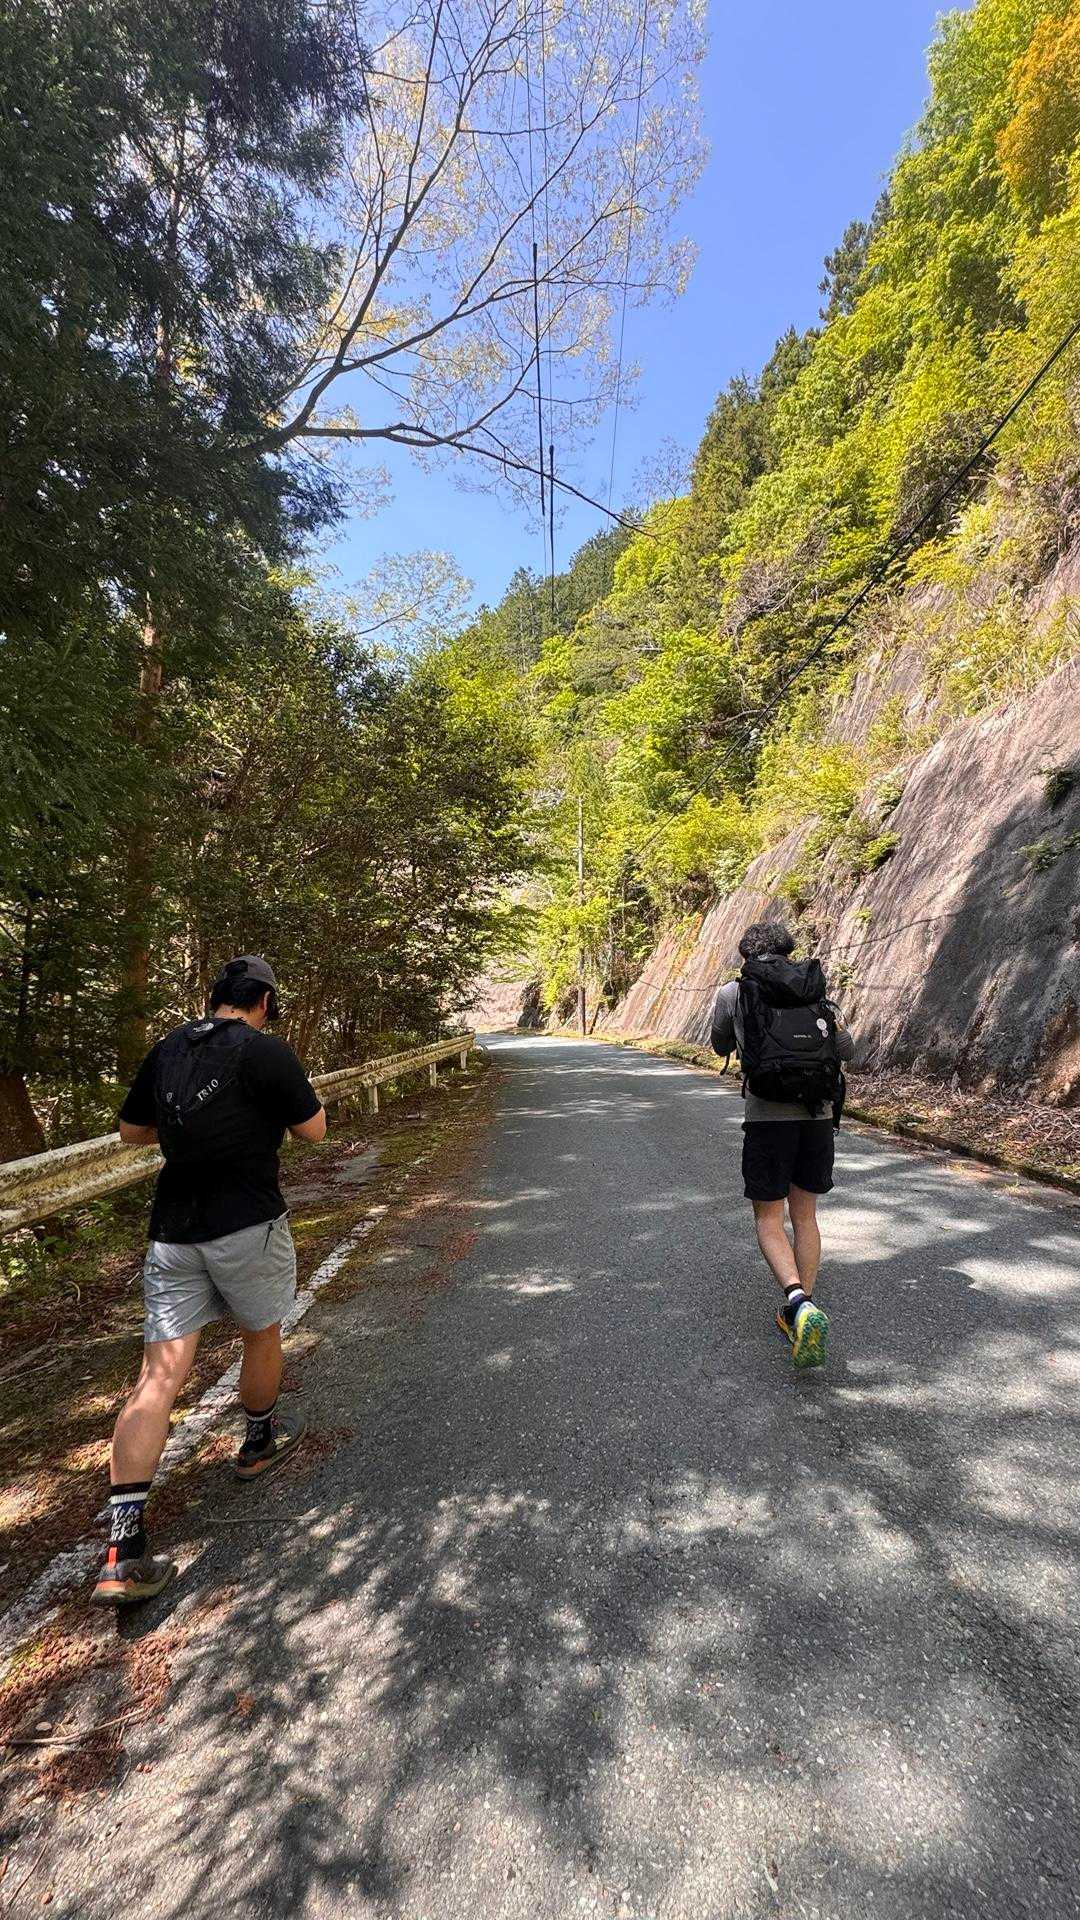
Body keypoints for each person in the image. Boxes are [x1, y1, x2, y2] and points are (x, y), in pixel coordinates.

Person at [92, 955, 326, 1606]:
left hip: (173, 1230)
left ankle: (122, 1551)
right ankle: (257, 1443)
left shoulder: (170, 1046)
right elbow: (314, 1129)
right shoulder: (265, 1050)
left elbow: (131, 1131)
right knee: (261, 1335)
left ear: (216, 996)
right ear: (265, 1002)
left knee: (157, 1377)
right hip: (248, 1221)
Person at [710, 920, 854, 1371]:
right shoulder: (813, 987)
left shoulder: (734, 992)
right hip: (818, 1115)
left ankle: (798, 1302)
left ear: (746, 955)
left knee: (769, 1219)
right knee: (805, 1216)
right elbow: (847, 1048)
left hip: (768, 1118)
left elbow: (718, 1044)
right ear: (788, 950)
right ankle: (801, 1311)